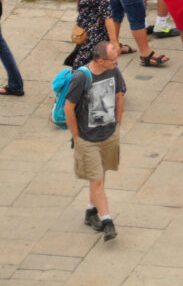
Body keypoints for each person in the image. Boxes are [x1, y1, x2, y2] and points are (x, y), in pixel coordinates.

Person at [64, 40, 124, 242]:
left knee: (100, 174)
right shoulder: (82, 77)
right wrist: (76, 137)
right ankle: (107, 221)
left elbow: (119, 96)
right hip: (87, 138)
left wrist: (117, 124)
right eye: (112, 59)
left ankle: (91, 211)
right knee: (97, 179)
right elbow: (68, 107)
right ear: (99, 60)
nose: (116, 62)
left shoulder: (113, 71)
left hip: (108, 134)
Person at [66, 0, 116, 70]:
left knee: (81, 67)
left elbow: (107, 15)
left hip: (94, 34)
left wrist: (114, 42)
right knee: (85, 66)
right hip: (85, 30)